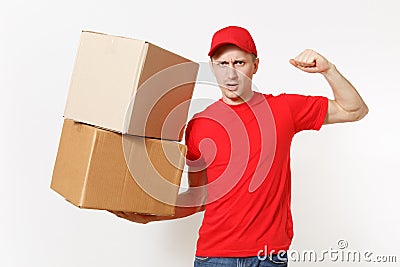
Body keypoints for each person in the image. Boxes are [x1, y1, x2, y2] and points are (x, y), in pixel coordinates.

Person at [110, 26, 369, 267]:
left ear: (255, 66)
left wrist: (328, 70)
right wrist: (153, 214)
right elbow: (199, 196)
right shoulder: (199, 125)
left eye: (239, 63)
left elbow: (354, 109)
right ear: (212, 67)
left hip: (268, 256)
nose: (230, 73)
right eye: (222, 64)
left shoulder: (283, 110)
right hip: (214, 257)